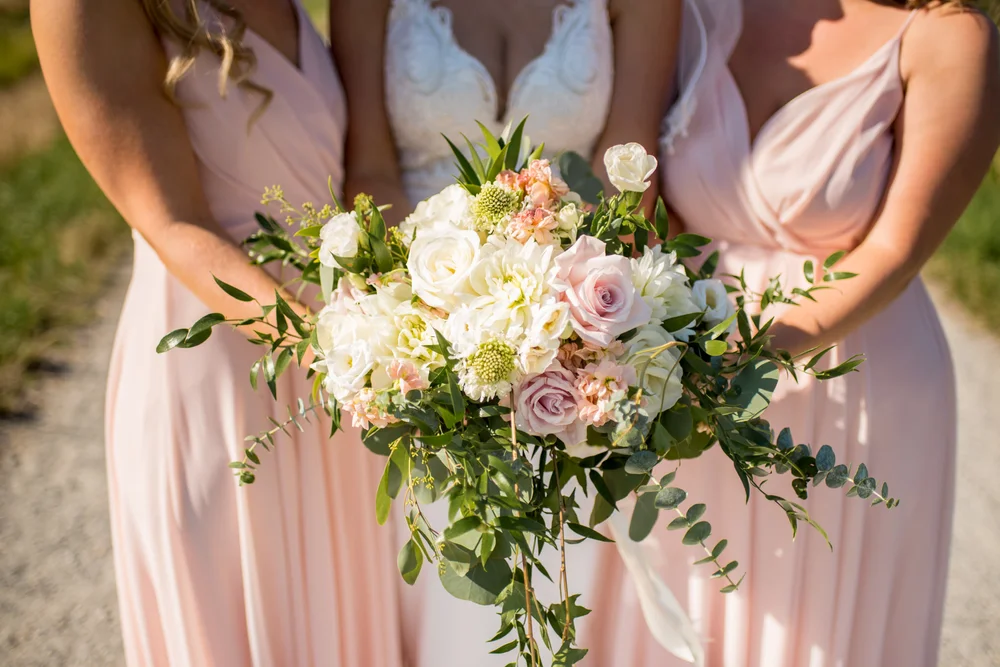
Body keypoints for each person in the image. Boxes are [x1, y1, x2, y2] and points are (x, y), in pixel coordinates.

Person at [593, 0, 1000, 665]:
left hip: (848, 380)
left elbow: (895, 253)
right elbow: (635, 193)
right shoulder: (697, 10)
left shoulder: (949, 38)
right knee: (675, 614)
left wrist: (744, 360)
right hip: (680, 365)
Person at [31, 1, 403, 664]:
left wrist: (417, 312)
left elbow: (366, 174)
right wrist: (335, 351)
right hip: (223, 390)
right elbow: (175, 224)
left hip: (343, 388)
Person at [328, 0, 683, 663]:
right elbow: (369, 174)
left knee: (568, 591)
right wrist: (426, 327)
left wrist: (573, 344)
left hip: (569, 349)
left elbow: (630, 184)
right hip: (421, 355)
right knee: (442, 596)